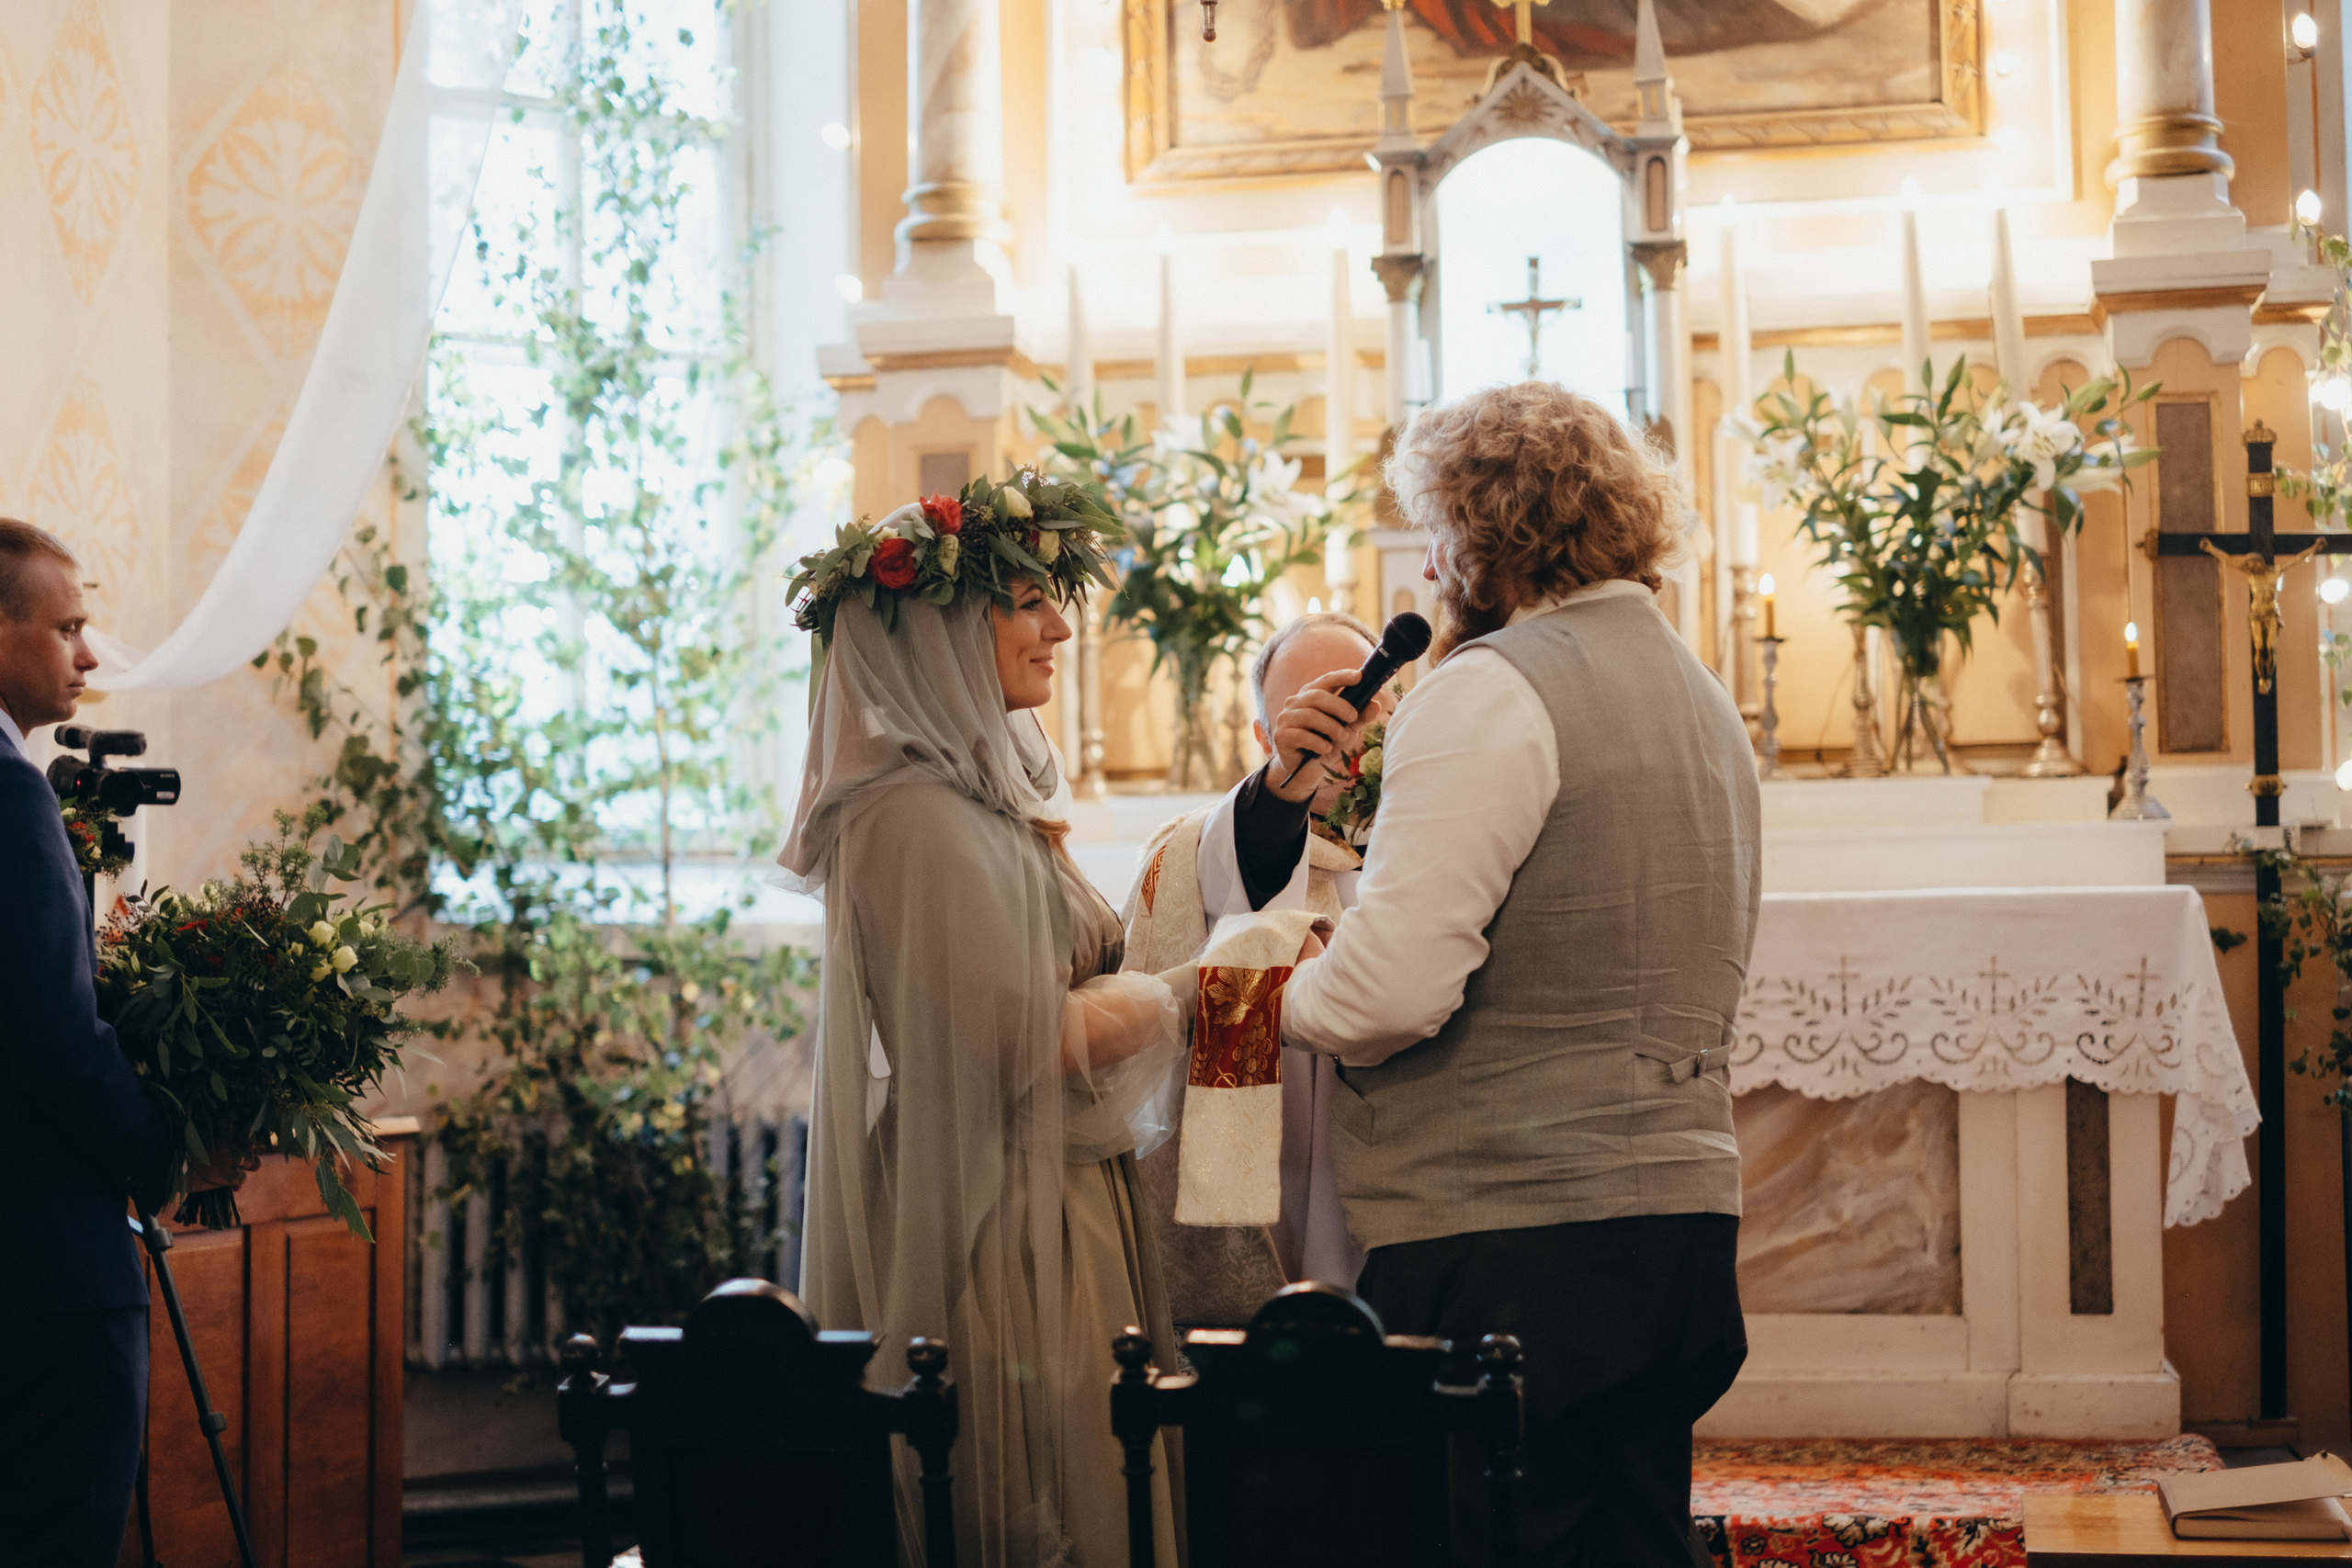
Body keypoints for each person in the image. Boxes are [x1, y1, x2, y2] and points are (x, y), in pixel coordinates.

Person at [1273, 385, 1759, 1568]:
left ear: (1481, 533)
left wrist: (1244, 986)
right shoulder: (1706, 700)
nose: (1430, 560)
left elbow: (1386, 998)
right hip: (1679, 1229)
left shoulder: (1492, 687)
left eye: (1436, 526)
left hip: (1512, 1238)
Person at [780, 499, 1205, 1565]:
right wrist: (1186, 991)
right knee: (1038, 1504)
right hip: (994, 1217)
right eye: (1026, 604)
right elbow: (1020, 1042)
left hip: (1055, 1193)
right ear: (938, 631)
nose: (1060, 629)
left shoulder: (977, 801)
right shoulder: (907, 815)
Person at [1122, 611, 1392, 1319]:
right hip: (1275, 1183)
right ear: (1264, 739)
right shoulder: (1218, 841)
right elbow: (1247, 856)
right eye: (1308, 712)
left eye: (1361, 705)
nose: (1339, 733)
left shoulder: (1439, 840)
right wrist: (1283, 787)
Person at [0, 519, 176, 1566]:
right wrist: (162, 1153)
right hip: (43, 1276)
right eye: (67, 626)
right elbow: (56, 1040)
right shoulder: (12, 791)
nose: (89, 654)